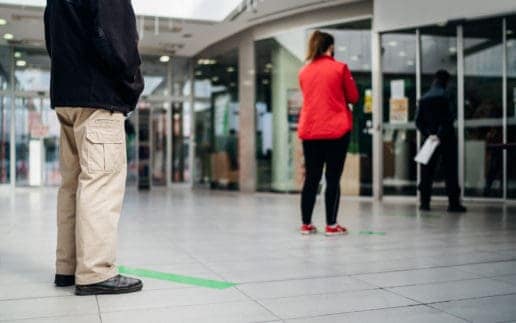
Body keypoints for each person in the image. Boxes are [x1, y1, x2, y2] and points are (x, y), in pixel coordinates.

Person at [45, 0, 145, 295]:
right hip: (98, 98)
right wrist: (133, 83)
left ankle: (68, 267)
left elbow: (52, 42)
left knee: (72, 186)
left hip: (67, 97)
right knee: (101, 184)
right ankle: (95, 271)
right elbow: (117, 41)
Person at [298, 30, 359, 236]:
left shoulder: (304, 72)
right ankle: (331, 225)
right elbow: (353, 96)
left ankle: (306, 224)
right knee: (332, 178)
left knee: (311, 178)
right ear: (330, 47)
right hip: (336, 131)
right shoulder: (339, 68)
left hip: (310, 131)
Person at [415, 70, 466, 213]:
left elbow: (418, 122)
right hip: (447, 139)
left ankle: (424, 203)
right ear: (446, 81)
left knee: (427, 172)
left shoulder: (424, 98)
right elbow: (450, 118)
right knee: (450, 171)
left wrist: (429, 134)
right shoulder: (447, 96)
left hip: (429, 140)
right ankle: (453, 204)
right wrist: (439, 134)